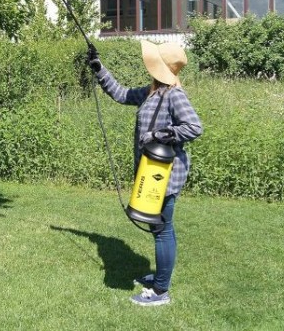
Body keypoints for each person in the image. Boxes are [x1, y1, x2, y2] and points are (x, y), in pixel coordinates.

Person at [87, 40, 203, 307]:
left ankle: (161, 291)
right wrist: (99, 68)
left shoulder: (174, 94)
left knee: (162, 229)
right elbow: (121, 94)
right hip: (150, 173)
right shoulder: (153, 92)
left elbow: (194, 127)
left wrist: (162, 134)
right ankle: (160, 277)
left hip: (164, 175)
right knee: (159, 228)